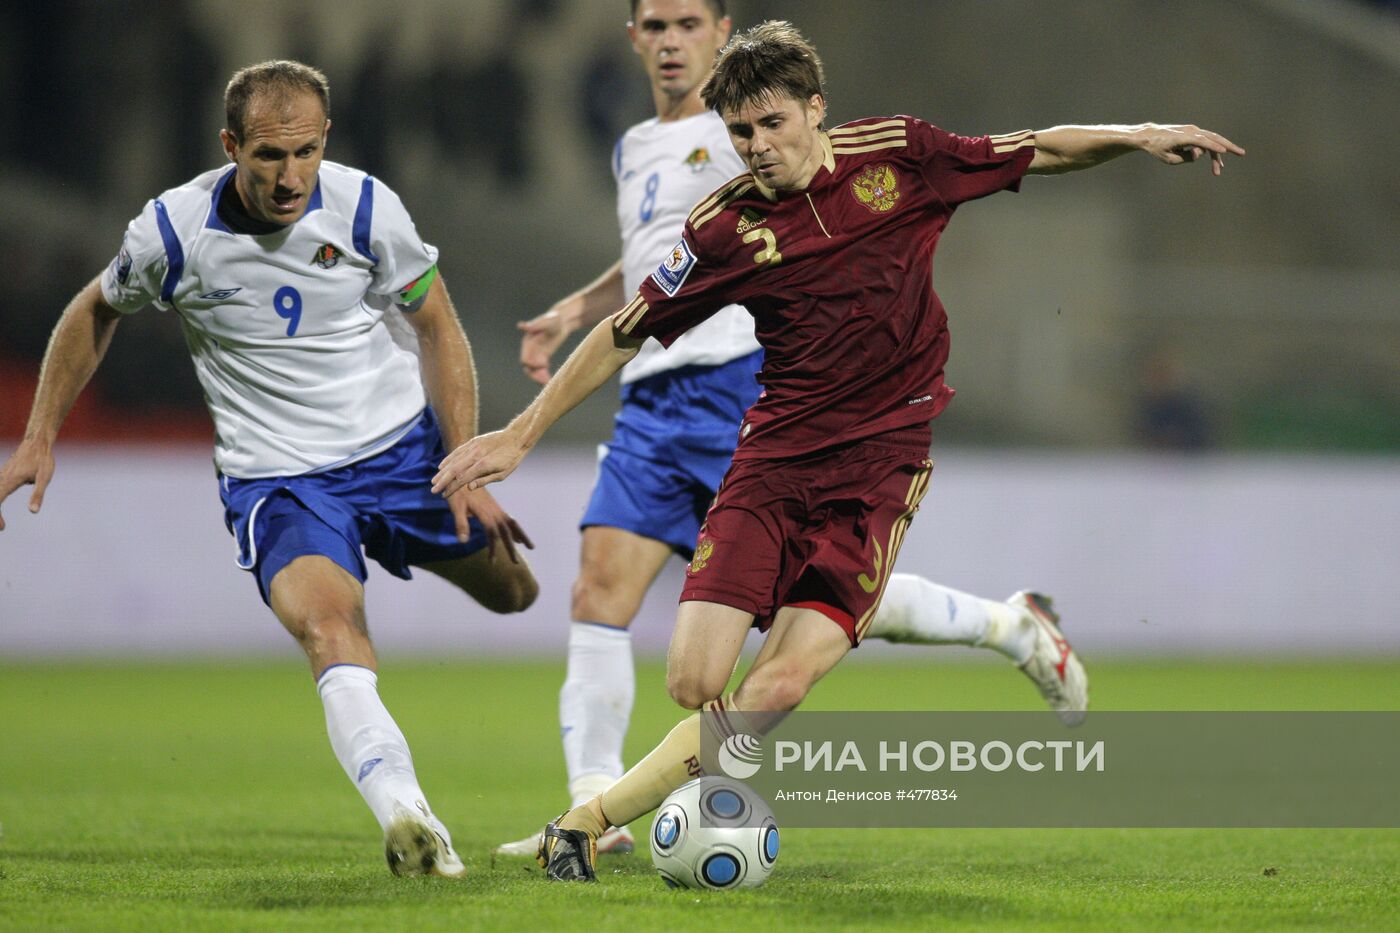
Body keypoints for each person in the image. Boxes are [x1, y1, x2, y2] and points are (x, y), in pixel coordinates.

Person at [438, 20, 1245, 881]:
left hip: (879, 465)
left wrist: (1140, 136)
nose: (758, 146)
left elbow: (1041, 150)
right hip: (774, 457)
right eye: (742, 132)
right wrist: (520, 432)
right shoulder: (724, 226)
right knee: (693, 678)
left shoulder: (902, 156)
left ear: (816, 108)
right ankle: (1006, 622)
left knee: (773, 689)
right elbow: (625, 328)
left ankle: (583, 825)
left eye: (773, 124)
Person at [0, 60, 539, 879]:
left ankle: (424, 543)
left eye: (306, 153)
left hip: (400, 452)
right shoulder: (173, 233)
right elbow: (93, 309)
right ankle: (405, 809)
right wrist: (41, 434)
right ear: (230, 147)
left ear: (326, 142)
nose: (291, 178)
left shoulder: (364, 208)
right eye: (269, 156)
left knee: (514, 592)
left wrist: (464, 464)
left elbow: (437, 323)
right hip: (282, 479)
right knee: (330, 628)